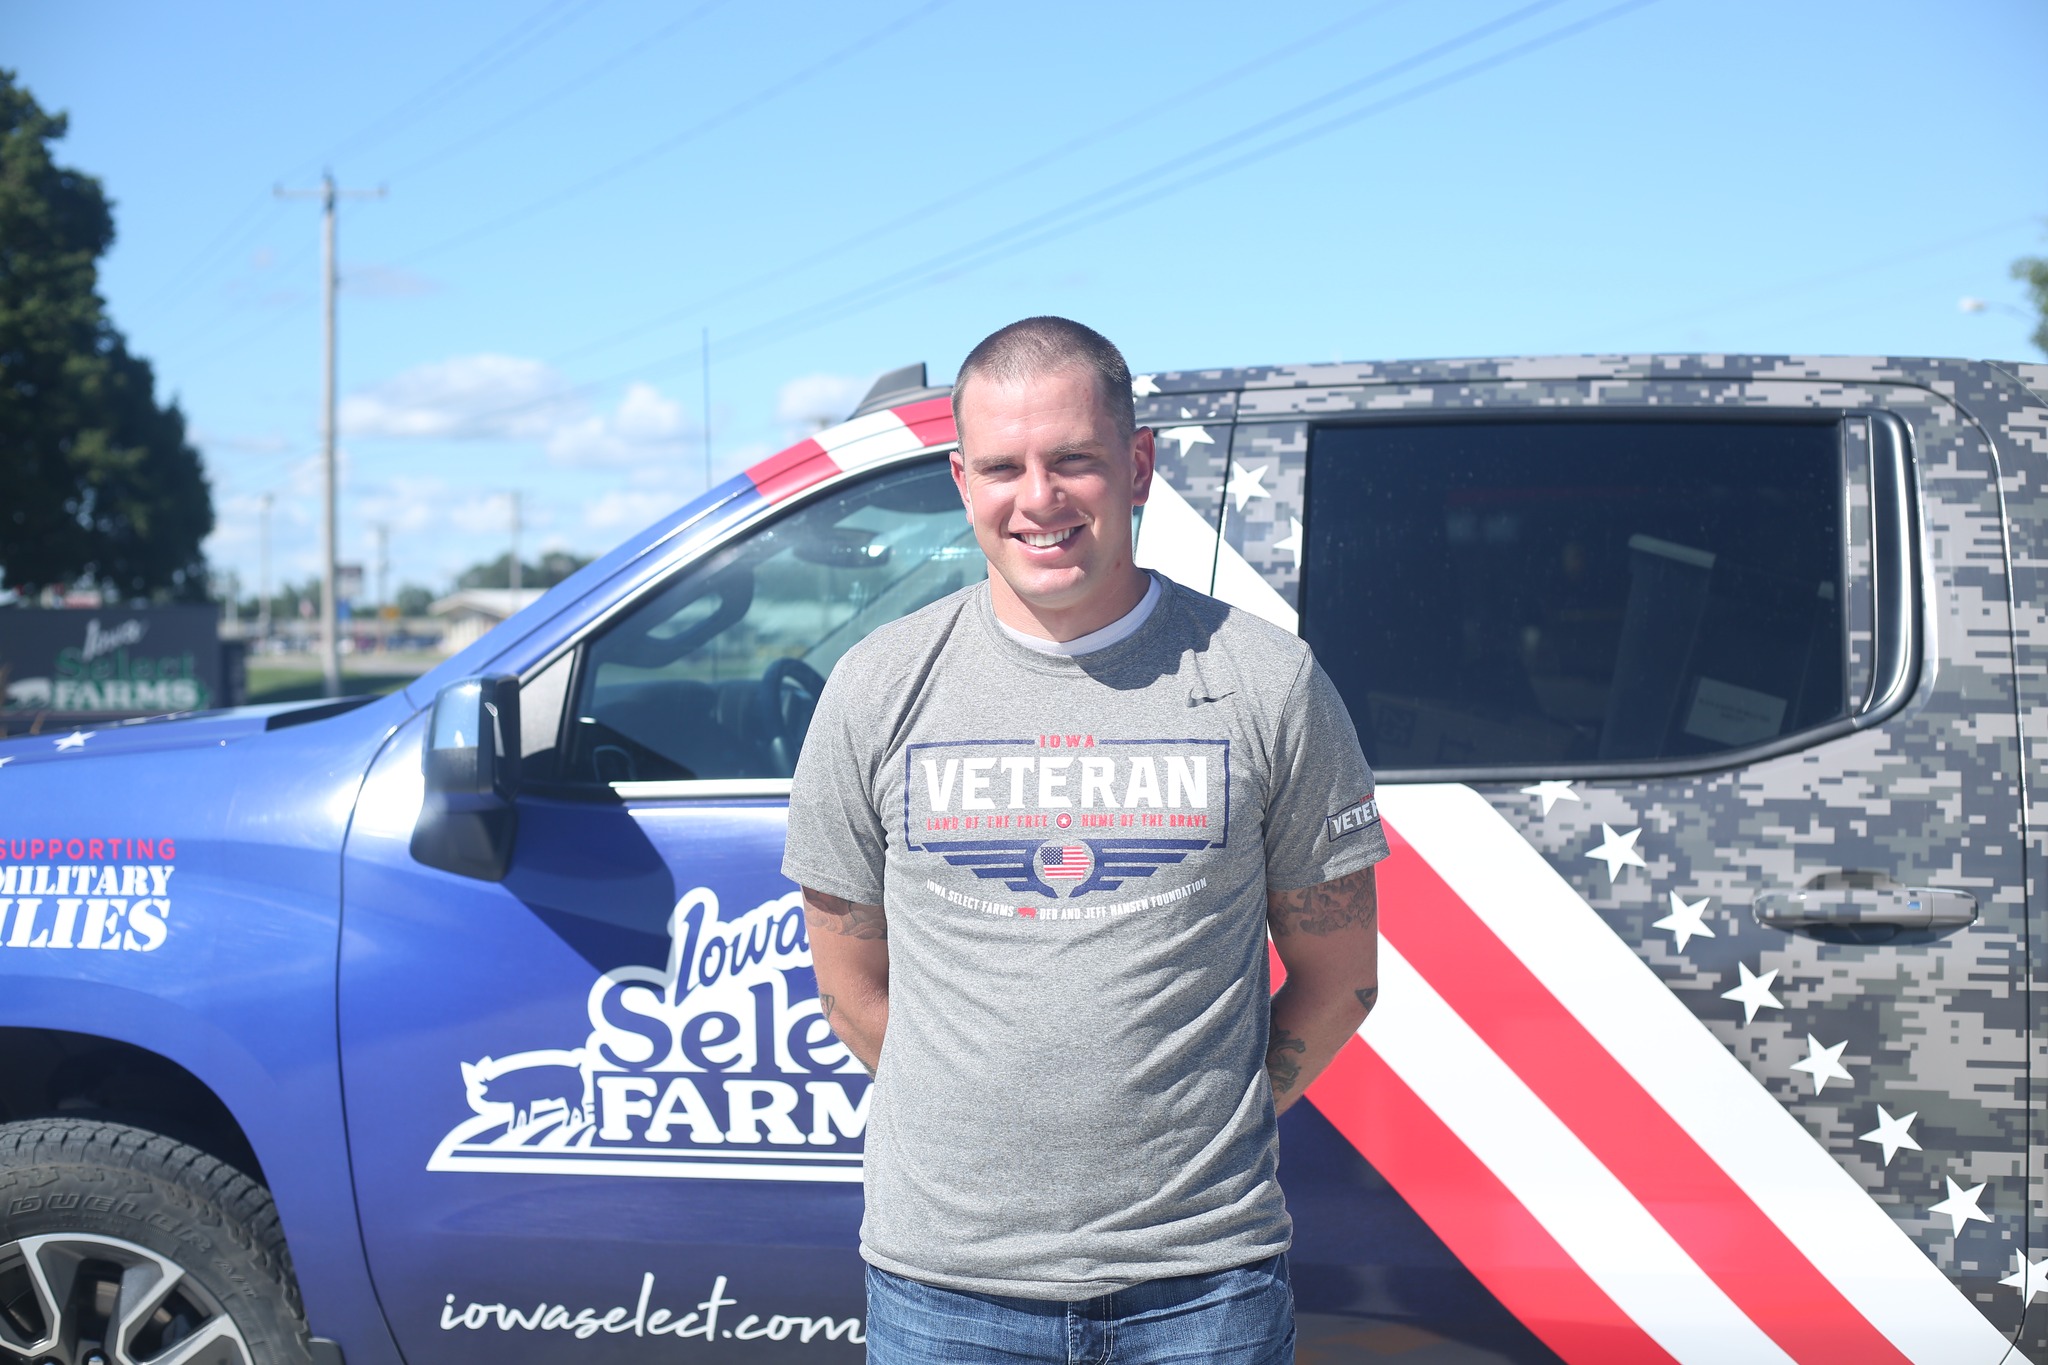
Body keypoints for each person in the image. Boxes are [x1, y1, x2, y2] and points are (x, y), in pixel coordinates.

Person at [782, 316, 1386, 1364]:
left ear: (1138, 465)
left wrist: (1200, 1135)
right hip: (943, 1296)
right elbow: (849, 987)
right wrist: (978, 1127)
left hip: (1202, 1292)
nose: (1038, 499)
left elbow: (1341, 981)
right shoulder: (876, 687)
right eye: (1003, 467)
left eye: (1073, 460)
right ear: (960, 481)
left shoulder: (1263, 681)